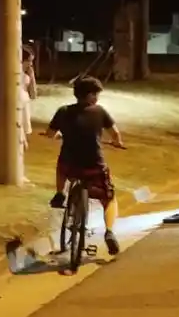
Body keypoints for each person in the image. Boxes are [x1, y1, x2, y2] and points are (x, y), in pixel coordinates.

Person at [45, 75, 127, 256]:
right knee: (109, 198)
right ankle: (110, 231)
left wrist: (59, 135)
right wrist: (117, 142)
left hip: (70, 166)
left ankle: (60, 193)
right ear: (90, 96)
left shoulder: (63, 111)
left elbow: (50, 133)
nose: (97, 98)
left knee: (61, 164)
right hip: (94, 166)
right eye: (96, 95)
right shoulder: (100, 112)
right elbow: (115, 134)